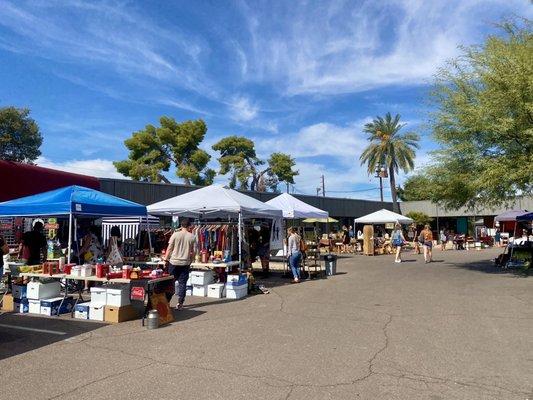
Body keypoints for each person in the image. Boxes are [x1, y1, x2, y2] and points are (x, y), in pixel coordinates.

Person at [164, 219, 196, 310]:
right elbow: (193, 252)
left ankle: (167, 302)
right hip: (185, 263)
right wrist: (191, 260)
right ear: (189, 226)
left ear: (181, 226)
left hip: (173, 262)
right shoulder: (192, 237)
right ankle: (180, 303)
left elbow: (169, 248)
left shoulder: (175, 234)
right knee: (182, 284)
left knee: (170, 283)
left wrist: (166, 259)